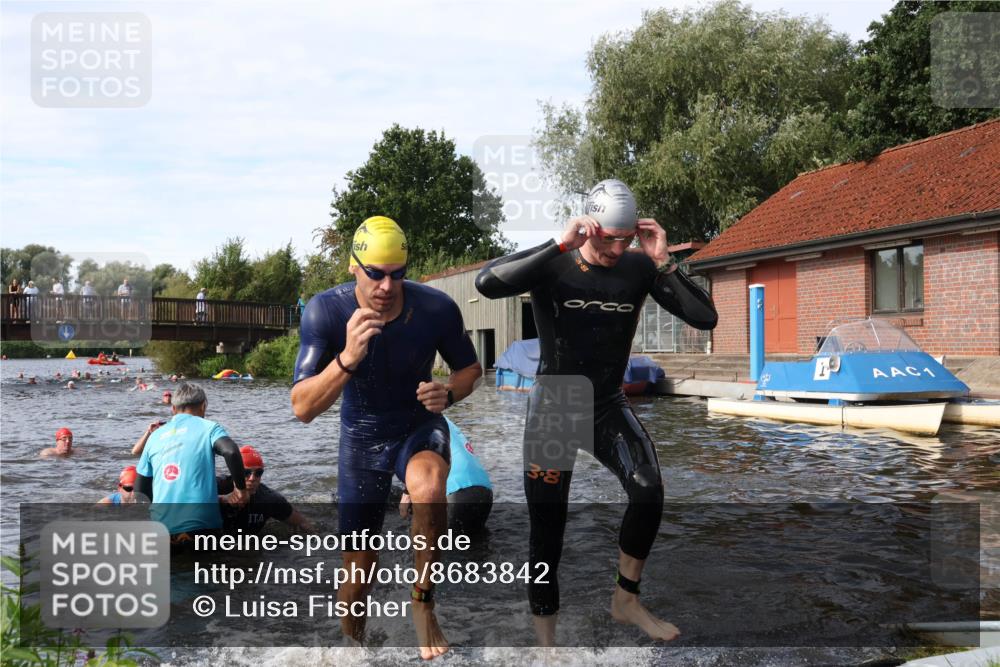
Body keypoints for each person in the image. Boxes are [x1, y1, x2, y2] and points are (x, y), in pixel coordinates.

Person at [475, 178, 718, 646]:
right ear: (589, 226)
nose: (616, 249)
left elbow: (705, 318)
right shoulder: (555, 262)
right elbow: (486, 284)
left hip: (606, 402)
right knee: (548, 530)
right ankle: (547, 645)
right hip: (555, 406)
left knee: (648, 490)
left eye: (625, 239)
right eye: (608, 238)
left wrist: (663, 261)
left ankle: (626, 599)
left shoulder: (639, 267)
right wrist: (557, 244)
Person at [291, 215, 482, 660]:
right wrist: (347, 357)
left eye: (398, 274)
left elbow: (470, 369)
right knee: (358, 574)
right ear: (353, 267)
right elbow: (302, 408)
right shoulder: (326, 311)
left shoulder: (435, 308)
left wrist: (449, 392)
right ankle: (352, 648)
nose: (387, 286)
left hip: (417, 423)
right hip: (361, 437)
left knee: (429, 488)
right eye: (376, 273)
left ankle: (423, 604)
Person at [134, 383, 249, 547]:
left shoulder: (154, 436)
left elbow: (140, 491)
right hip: (202, 525)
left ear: (173, 409)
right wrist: (241, 490)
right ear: (203, 406)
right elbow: (231, 452)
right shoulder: (209, 428)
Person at [400, 417, 493, 535]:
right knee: (474, 542)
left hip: (456, 492)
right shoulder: (438, 418)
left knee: (427, 540)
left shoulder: (409, 421)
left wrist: (406, 495)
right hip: (484, 491)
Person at [217, 446, 313, 535]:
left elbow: (303, 523)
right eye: (246, 472)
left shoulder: (269, 499)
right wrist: (223, 499)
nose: (252, 478)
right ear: (234, 472)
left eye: (258, 473)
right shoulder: (218, 486)